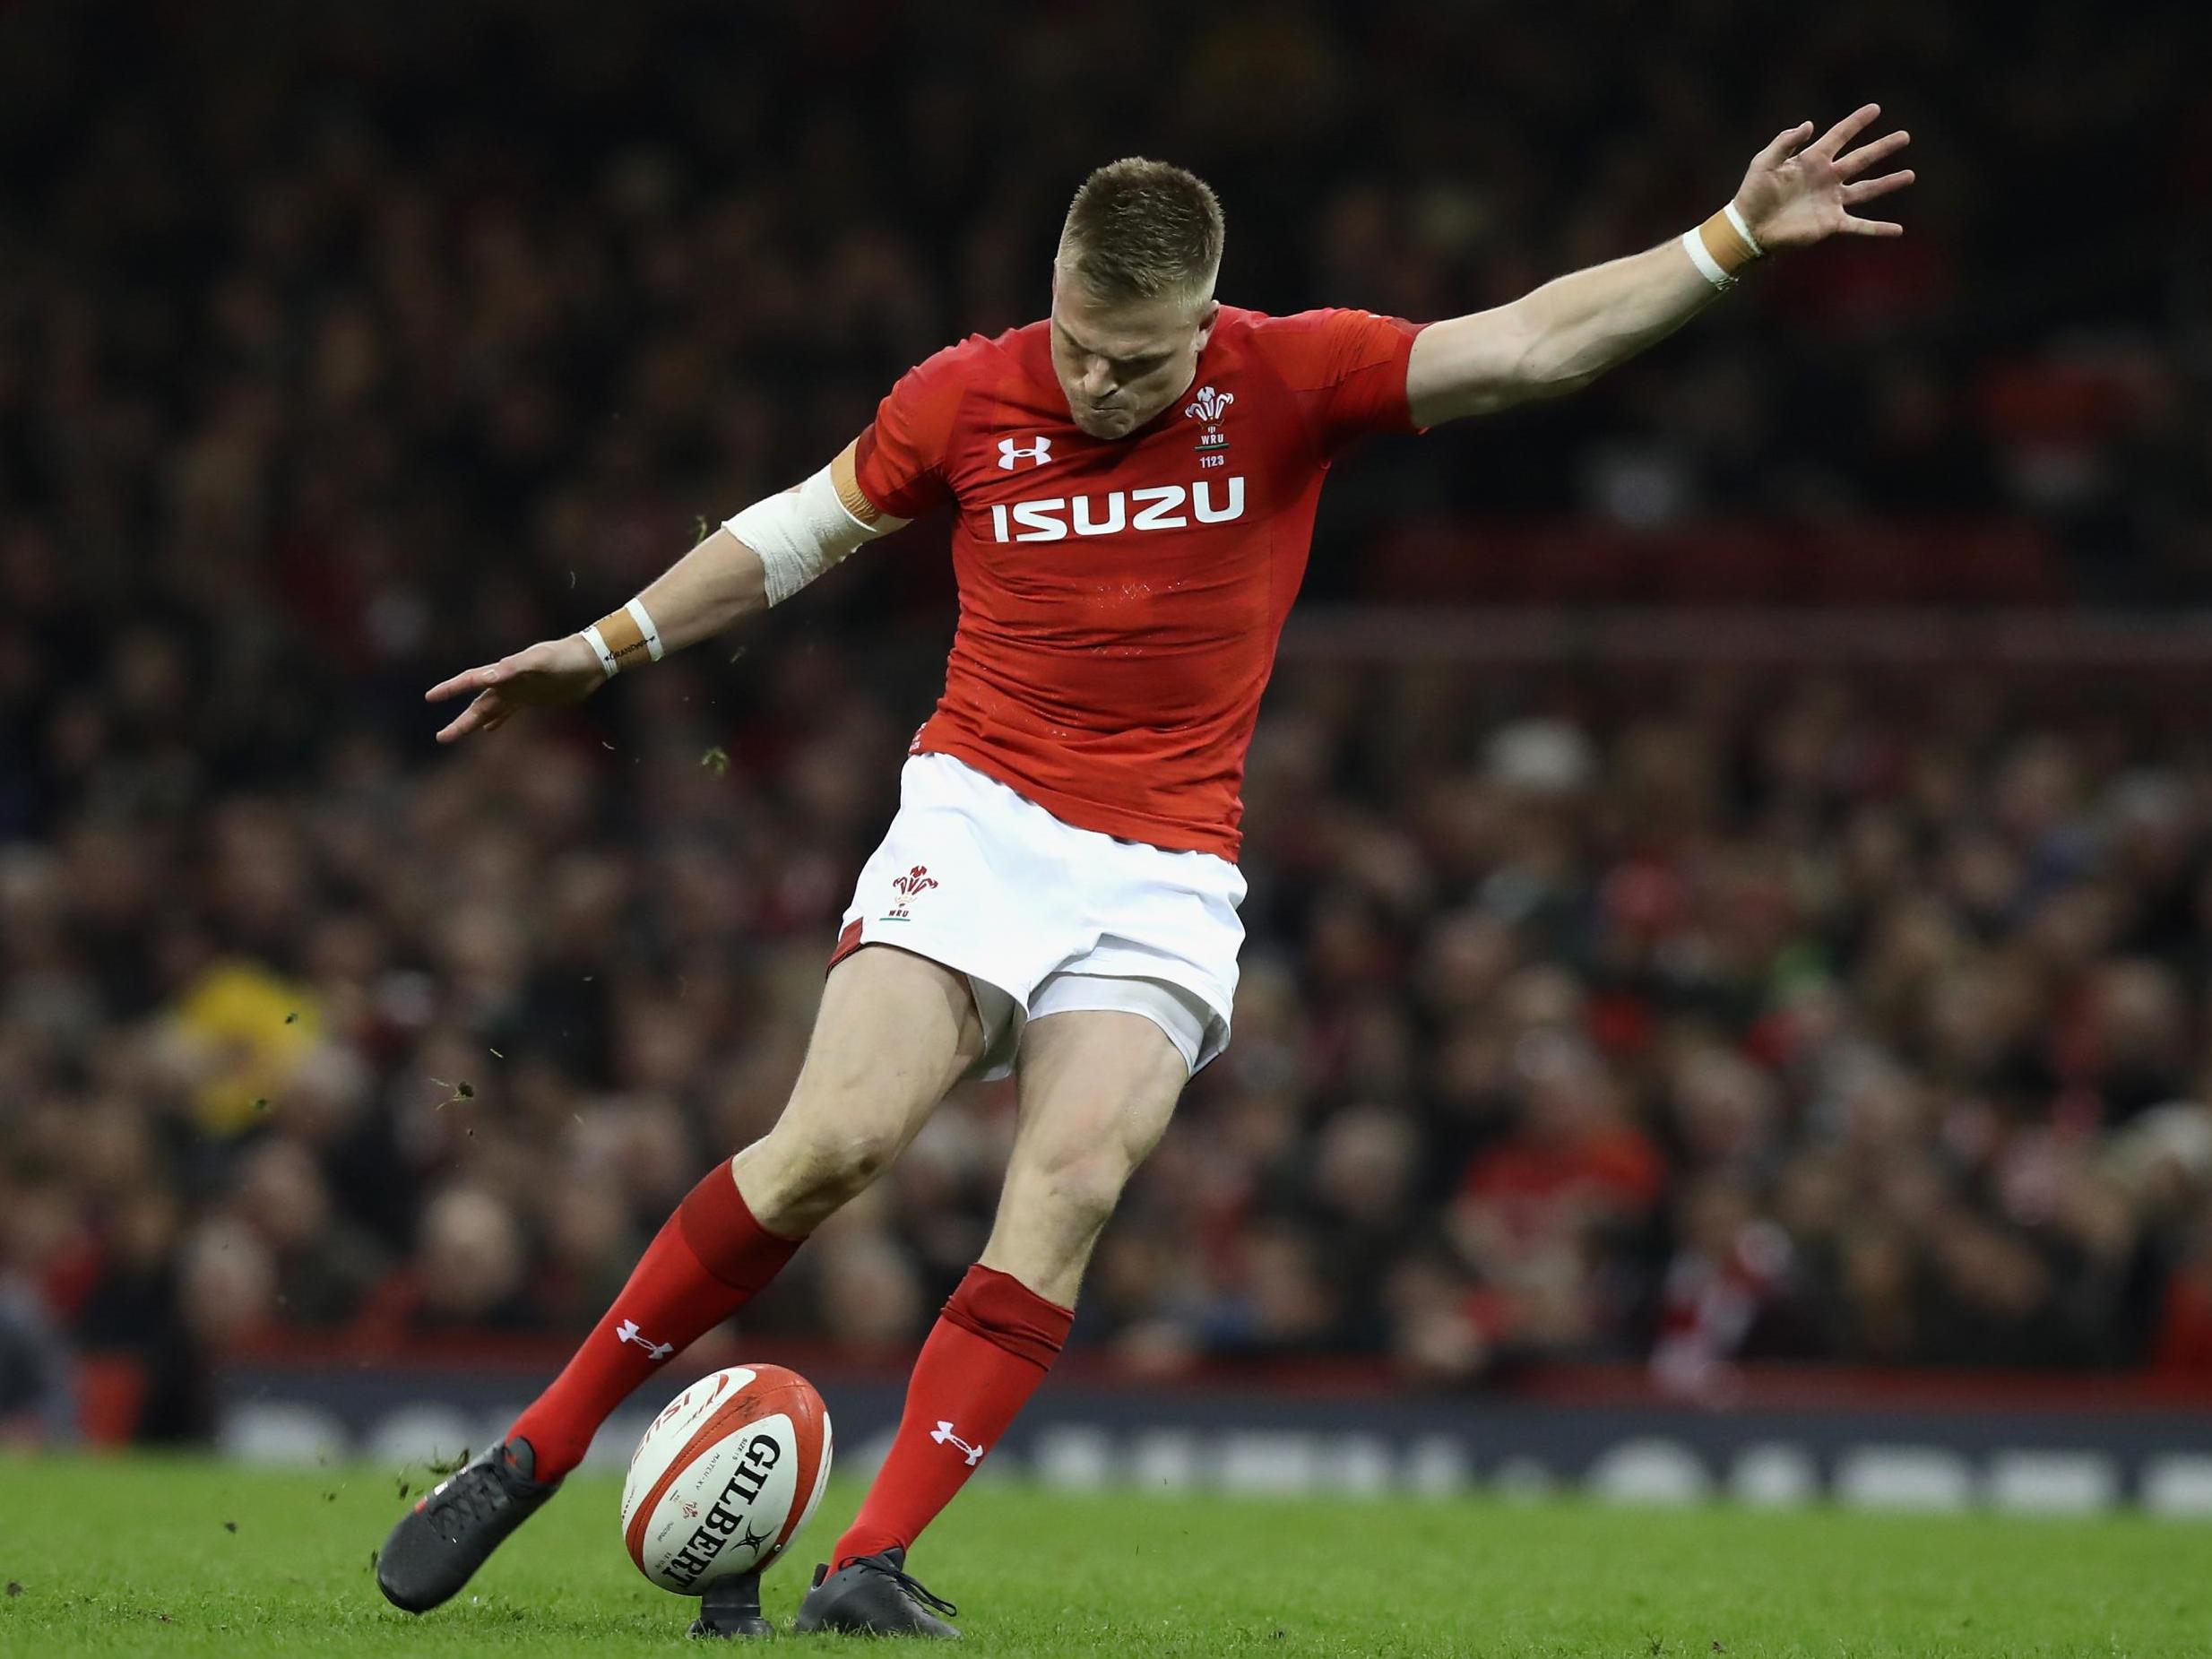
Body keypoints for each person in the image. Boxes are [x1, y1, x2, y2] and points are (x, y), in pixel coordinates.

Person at [376, 117, 1914, 1637]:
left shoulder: (1289, 374)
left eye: (1146, 360)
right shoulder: (967, 392)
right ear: (1055, 290)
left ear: (1207, 318)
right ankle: (538, 1448)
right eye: (1085, 348)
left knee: (1074, 1183)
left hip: (1167, 865)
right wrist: (605, 645)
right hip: (980, 815)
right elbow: (793, 534)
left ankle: (871, 1565)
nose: (1106, 384)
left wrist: (1725, 241)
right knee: (831, 1146)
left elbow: (1527, 346)